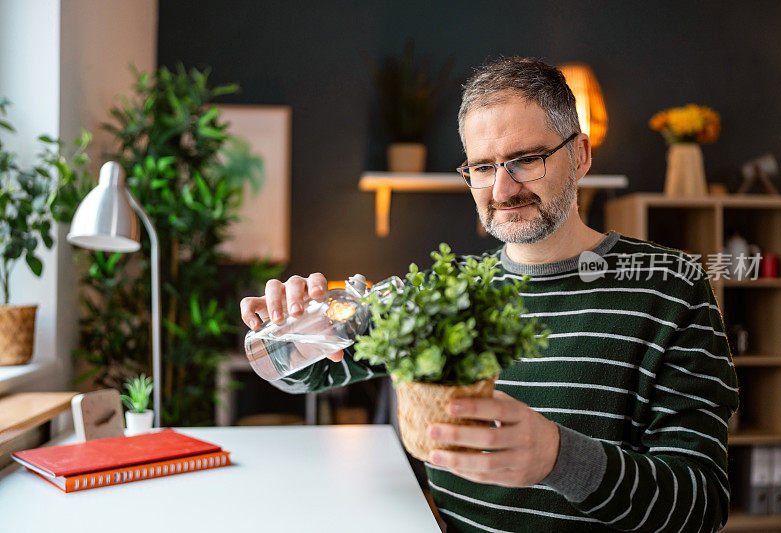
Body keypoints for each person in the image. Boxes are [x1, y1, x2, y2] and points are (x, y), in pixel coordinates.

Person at [240, 57, 739, 532]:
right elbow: (304, 373)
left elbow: (701, 504)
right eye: (482, 167)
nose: (502, 190)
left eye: (526, 160)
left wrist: (558, 458)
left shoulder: (670, 287)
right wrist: (292, 321)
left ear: (580, 155)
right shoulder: (442, 294)